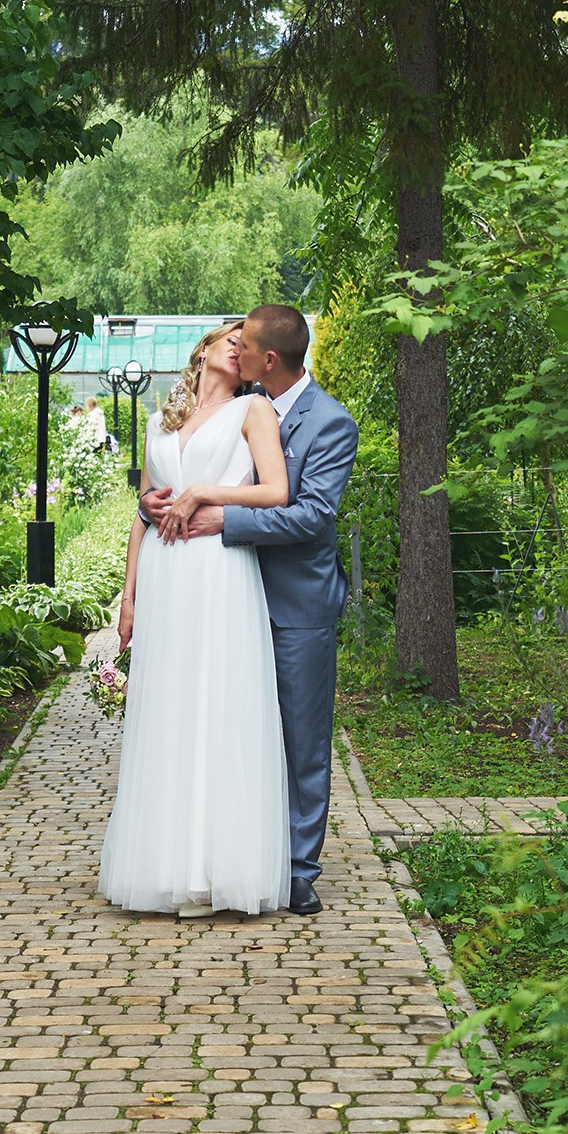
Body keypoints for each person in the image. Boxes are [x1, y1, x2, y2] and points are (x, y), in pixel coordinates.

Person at [142, 301, 358, 916]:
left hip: (294, 604)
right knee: (230, 733)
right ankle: (229, 856)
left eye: (247, 345)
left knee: (301, 740)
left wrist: (220, 518)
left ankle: (295, 871)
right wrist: (158, 508)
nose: (236, 350)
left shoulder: (330, 423)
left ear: (267, 359)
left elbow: (312, 515)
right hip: (224, 594)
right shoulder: (236, 406)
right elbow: (176, 484)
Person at [99, 321, 293, 917]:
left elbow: (278, 493)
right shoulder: (164, 418)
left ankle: (217, 868)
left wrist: (204, 492)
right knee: (167, 707)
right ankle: (162, 863)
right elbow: (145, 509)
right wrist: (128, 596)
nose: (237, 344)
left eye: (246, 340)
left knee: (216, 701)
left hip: (216, 568)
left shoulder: (253, 411)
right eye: (228, 336)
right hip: (164, 573)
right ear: (204, 348)